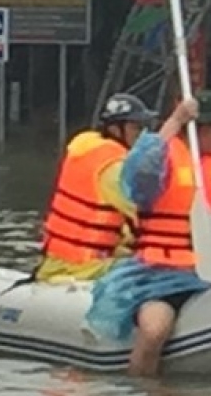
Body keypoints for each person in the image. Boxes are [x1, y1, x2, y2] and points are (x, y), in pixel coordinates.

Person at [85, 90, 211, 377]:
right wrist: (176, 120)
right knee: (155, 331)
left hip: (204, 276)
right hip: (155, 276)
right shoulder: (162, 161)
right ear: (200, 130)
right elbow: (137, 176)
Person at [34, 93, 154, 283]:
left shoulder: (86, 148)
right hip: (86, 267)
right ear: (116, 130)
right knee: (160, 270)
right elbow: (146, 214)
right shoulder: (115, 167)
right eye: (136, 128)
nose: (142, 135)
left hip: (59, 261)